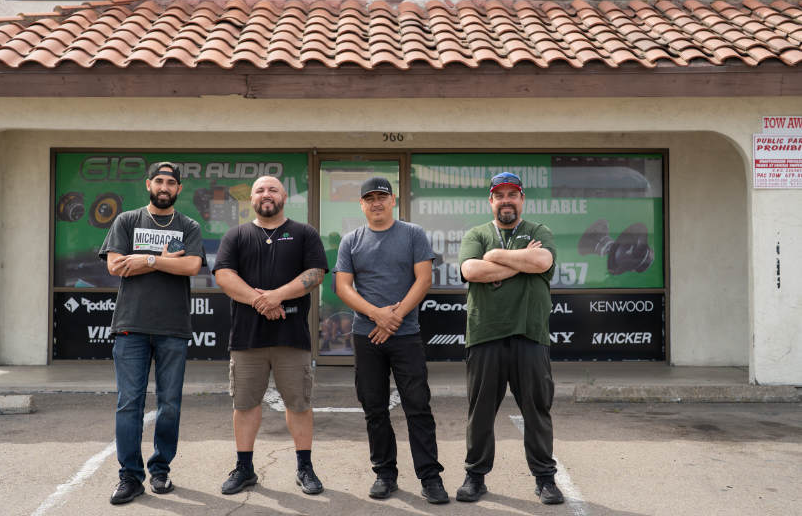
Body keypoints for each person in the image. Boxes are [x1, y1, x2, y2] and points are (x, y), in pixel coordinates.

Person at [335, 177, 450, 504]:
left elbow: (423, 279)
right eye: (369, 198)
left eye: (381, 197)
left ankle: (430, 477)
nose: (376, 203)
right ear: (361, 204)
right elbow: (343, 287)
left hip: (406, 335)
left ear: (392, 200)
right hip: (367, 335)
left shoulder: (413, 234)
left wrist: (394, 317)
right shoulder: (351, 241)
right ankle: (385, 474)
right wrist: (377, 315)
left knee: (418, 407)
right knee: (374, 407)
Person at [213, 175, 328, 495]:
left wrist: (278, 295)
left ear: (284, 196)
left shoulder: (304, 233)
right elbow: (223, 275)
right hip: (247, 339)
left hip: (292, 338)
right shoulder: (236, 235)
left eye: (273, 189)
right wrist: (261, 301)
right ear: (251, 199)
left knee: (299, 404)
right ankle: (245, 468)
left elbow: (316, 272)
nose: (266, 194)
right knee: (245, 405)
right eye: (260, 190)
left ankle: (305, 468)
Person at [455, 172, 565, 506]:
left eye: (512, 194)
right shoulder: (478, 233)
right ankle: (475, 477)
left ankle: (545, 479)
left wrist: (496, 257)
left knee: (537, 410)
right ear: (491, 201)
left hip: (529, 334)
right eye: (499, 195)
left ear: (522, 199)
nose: (506, 200)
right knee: (481, 412)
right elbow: (471, 271)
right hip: (486, 334)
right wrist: (521, 262)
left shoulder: (538, 231)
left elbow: (543, 260)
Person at [99, 162, 205, 505]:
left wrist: (146, 261)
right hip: (131, 326)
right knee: (129, 404)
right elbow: (115, 265)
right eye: (159, 180)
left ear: (178, 189)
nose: (164, 186)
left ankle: (160, 470)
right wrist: (158, 259)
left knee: (170, 405)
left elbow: (191, 265)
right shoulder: (127, 221)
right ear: (149, 184)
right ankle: (129, 477)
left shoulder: (188, 226)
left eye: (170, 182)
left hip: (173, 328)